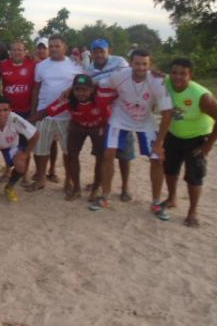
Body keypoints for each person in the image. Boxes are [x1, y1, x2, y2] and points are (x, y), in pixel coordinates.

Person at [90, 49, 173, 221]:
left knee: (157, 158)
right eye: (137, 63)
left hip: (145, 121)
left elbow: (167, 114)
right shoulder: (120, 75)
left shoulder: (157, 81)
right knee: (108, 154)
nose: (140, 67)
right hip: (120, 118)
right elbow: (99, 84)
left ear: (150, 65)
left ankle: (156, 201)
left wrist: (160, 142)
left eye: (144, 64)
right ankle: (105, 197)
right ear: (131, 63)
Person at [163, 58, 217, 227]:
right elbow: (154, 74)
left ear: (190, 75)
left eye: (183, 74)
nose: (178, 77)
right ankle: (171, 198)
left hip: (197, 138)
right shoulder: (167, 82)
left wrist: (208, 145)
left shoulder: (201, 95)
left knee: (194, 176)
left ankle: (193, 211)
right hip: (173, 135)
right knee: (170, 170)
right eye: (175, 73)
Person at [38, 74, 116, 201]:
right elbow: (48, 111)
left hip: (99, 126)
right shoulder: (69, 99)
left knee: (100, 157)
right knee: (71, 155)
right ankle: (76, 188)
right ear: (72, 89)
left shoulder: (102, 96)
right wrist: (27, 121)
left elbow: (124, 90)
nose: (80, 93)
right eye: (77, 89)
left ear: (92, 89)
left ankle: (96, 188)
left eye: (84, 89)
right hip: (78, 125)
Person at [85, 38, 135, 201]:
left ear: (109, 51)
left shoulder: (120, 61)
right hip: (102, 116)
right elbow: (88, 88)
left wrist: (101, 83)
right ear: (91, 53)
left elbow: (127, 78)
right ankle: (98, 183)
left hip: (123, 113)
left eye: (102, 51)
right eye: (96, 51)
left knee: (124, 155)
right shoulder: (89, 69)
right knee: (101, 154)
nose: (99, 54)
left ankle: (125, 187)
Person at [28, 35, 80, 191]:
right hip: (44, 114)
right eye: (51, 46)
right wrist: (33, 113)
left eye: (57, 46)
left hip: (66, 116)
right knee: (40, 149)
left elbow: (81, 87)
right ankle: (41, 177)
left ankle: (68, 181)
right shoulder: (41, 66)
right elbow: (36, 89)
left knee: (68, 151)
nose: (53, 49)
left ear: (65, 47)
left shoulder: (75, 66)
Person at [0, 40, 36, 182]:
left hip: (26, 111)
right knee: (7, 143)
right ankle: (8, 171)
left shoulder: (33, 64)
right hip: (8, 112)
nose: (16, 52)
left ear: (25, 51)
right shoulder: (3, 65)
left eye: (19, 49)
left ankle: (24, 175)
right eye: (13, 49)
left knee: (25, 144)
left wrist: (33, 111)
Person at [33, 36, 58, 183]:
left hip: (54, 108)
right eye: (39, 47)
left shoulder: (56, 63)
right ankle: (38, 171)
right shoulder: (34, 64)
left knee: (53, 142)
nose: (42, 50)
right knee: (39, 140)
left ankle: (52, 170)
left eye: (44, 47)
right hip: (39, 107)